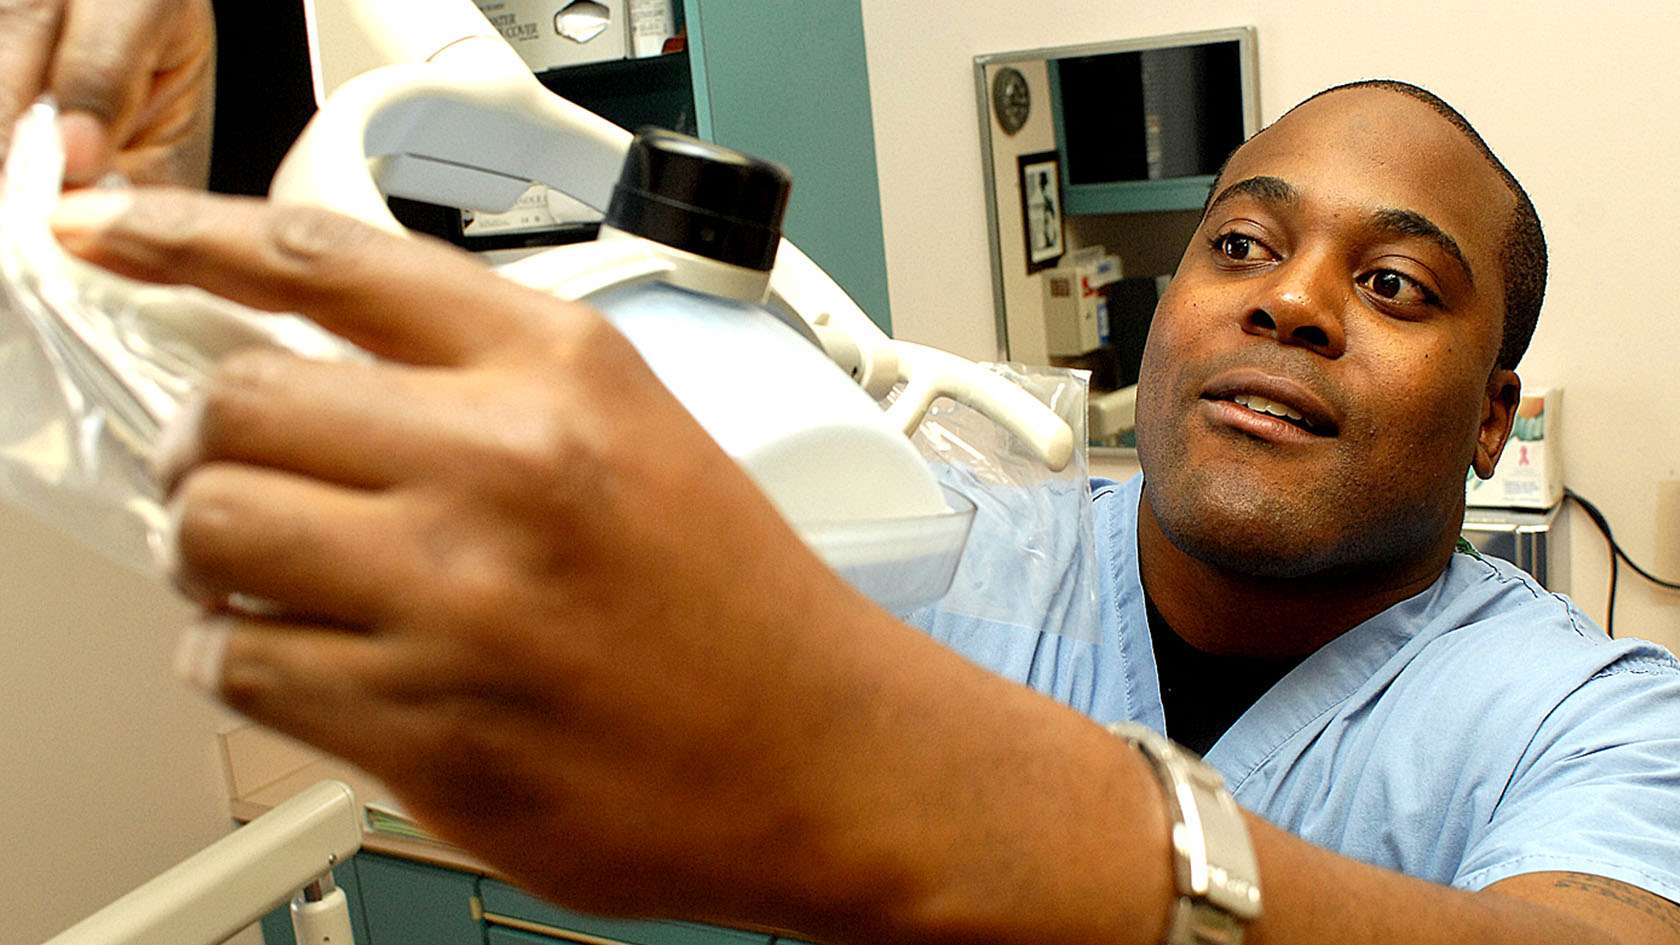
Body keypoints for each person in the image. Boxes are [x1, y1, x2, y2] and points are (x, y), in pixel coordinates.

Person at [10, 4, 1680, 944]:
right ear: (1165, 309)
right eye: (1237, 240)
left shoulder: (1595, 714)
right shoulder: (947, 548)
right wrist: (132, 288)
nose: (1289, 299)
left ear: (1491, 417)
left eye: (1393, 284)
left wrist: (954, 799)